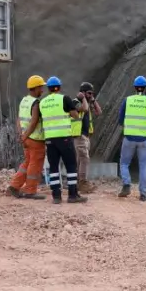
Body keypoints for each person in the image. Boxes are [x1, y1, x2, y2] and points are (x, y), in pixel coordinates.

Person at [34, 76, 88, 204]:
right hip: (64, 138)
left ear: (48, 88)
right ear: (59, 87)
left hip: (49, 139)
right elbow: (75, 115)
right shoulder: (65, 98)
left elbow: (40, 119)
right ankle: (73, 195)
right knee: (71, 165)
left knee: (53, 167)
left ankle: (56, 196)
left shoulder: (42, 102)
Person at [118, 75, 146, 201]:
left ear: (135, 87)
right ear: (145, 88)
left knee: (124, 163)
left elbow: (120, 120)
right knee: (143, 166)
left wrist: (129, 129)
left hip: (129, 138)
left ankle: (126, 184)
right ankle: (144, 194)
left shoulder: (127, 100)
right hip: (144, 139)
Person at [8, 74, 47, 200]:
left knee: (27, 163)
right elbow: (34, 122)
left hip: (26, 139)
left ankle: (14, 186)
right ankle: (30, 191)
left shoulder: (24, 101)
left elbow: (19, 120)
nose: (42, 90)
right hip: (35, 139)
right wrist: (25, 136)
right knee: (35, 164)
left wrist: (22, 136)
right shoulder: (35, 103)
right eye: (41, 87)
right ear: (36, 88)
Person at [71, 81, 102, 192]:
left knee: (80, 160)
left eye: (92, 93)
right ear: (82, 92)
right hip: (79, 135)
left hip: (85, 135)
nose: (91, 95)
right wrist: (84, 98)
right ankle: (83, 183)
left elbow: (99, 112)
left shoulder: (88, 103)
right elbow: (83, 109)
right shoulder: (75, 102)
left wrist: (93, 100)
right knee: (84, 158)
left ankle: (78, 182)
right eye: (89, 93)